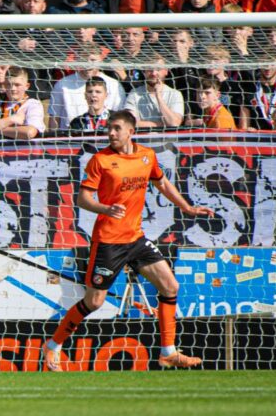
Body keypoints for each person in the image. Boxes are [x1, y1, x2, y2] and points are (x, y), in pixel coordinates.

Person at [43, 110, 213, 371]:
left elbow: (163, 184)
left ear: (131, 131)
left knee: (170, 286)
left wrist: (188, 208)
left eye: (117, 128)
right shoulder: (100, 160)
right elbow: (82, 199)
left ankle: (168, 352)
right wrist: (105, 209)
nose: (111, 133)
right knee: (94, 302)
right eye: (109, 128)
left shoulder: (147, 156)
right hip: (109, 241)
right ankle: (53, 345)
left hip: (135, 237)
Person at [0, 66, 45, 140]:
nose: (13, 88)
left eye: (17, 85)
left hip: (26, 148)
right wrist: (11, 119)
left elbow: (29, 132)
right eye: (9, 84)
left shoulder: (33, 104)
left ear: (26, 86)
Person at [123, 55, 184, 129]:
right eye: (150, 69)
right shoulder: (134, 93)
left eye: (158, 69)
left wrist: (158, 96)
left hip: (168, 140)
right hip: (143, 140)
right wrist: (161, 125)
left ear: (166, 71)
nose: (154, 73)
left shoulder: (175, 94)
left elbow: (174, 123)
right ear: (144, 72)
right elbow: (130, 123)